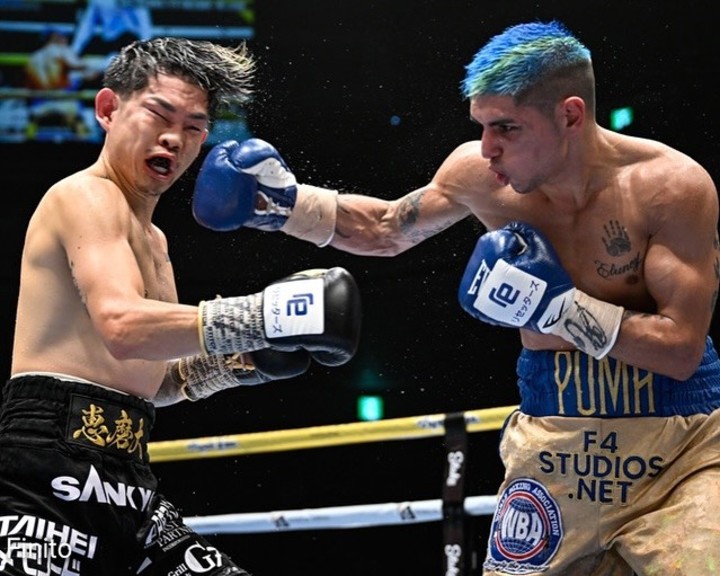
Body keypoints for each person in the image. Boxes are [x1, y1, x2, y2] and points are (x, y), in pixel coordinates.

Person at [190, 20, 720, 576]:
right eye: (482, 125)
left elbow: (681, 348)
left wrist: (557, 308)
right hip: (558, 439)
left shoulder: (669, 188)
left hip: (679, 451)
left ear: (570, 115)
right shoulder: (479, 174)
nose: (487, 146)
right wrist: (281, 207)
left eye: (506, 127)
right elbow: (389, 228)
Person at [0, 37, 361, 575]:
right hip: (45, 476)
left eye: (194, 127)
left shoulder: (155, 241)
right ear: (108, 109)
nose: (175, 136)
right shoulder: (84, 197)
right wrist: (265, 317)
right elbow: (123, 326)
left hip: (127, 475)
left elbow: (154, 376)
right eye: (158, 114)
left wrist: (243, 361)